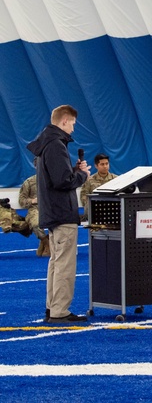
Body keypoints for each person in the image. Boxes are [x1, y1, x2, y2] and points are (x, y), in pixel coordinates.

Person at [27, 105, 90, 323]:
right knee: (64, 264)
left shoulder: (47, 144)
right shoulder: (56, 145)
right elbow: (63, 181)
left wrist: (73, 171)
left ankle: (52, 307)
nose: (73, 128)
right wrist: (81, 175)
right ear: (64, 121)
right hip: (62, 212)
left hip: (52, 211)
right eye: (72, 123)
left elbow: (57, 177)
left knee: (56, 261)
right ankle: (60, 311)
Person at [15, 175, 49, 256]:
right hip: (35, 208)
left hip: (52, 208)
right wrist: (32, 201)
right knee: (35, 223)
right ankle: (46, 242)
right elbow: (21, 200)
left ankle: (48, 242)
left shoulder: (55, 180)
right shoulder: (29, 182)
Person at [78, 153, 116, 223]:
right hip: (95, 213)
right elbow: (83, 196)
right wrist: (90, 207)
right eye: (102, 164)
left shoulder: (116, 179)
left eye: (107, 163)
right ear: (96, 166)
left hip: (113, 211)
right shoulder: (89, 180)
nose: (105, 166)